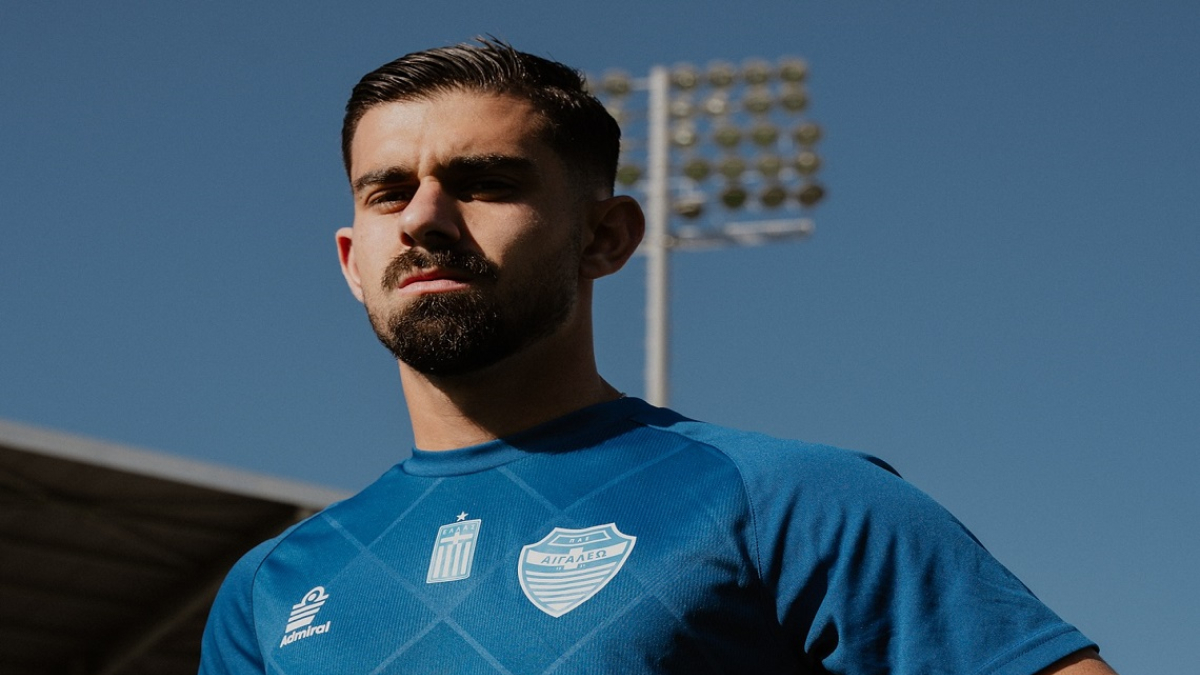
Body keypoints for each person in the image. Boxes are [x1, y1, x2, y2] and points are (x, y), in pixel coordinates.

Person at [199, 40, 1116, 674]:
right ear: (352, 261)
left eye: (486, 183)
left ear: (605, 237)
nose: (426, 217)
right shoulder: (271, 588)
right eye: (388, 192)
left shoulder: (793, 501)